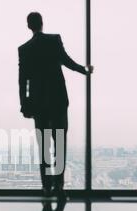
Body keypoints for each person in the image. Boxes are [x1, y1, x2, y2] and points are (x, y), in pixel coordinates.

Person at [18, 12, 93, 197]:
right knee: (59, 144)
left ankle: (46, 187)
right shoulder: (54, 40)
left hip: (38, 104)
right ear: (42, 23)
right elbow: (66, 61)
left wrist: (24, 104)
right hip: (58, 100)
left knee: (43, 146)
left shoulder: (24, 49)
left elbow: (23, 81)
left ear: (29, 26)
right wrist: (84, 70)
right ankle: (59, 186)